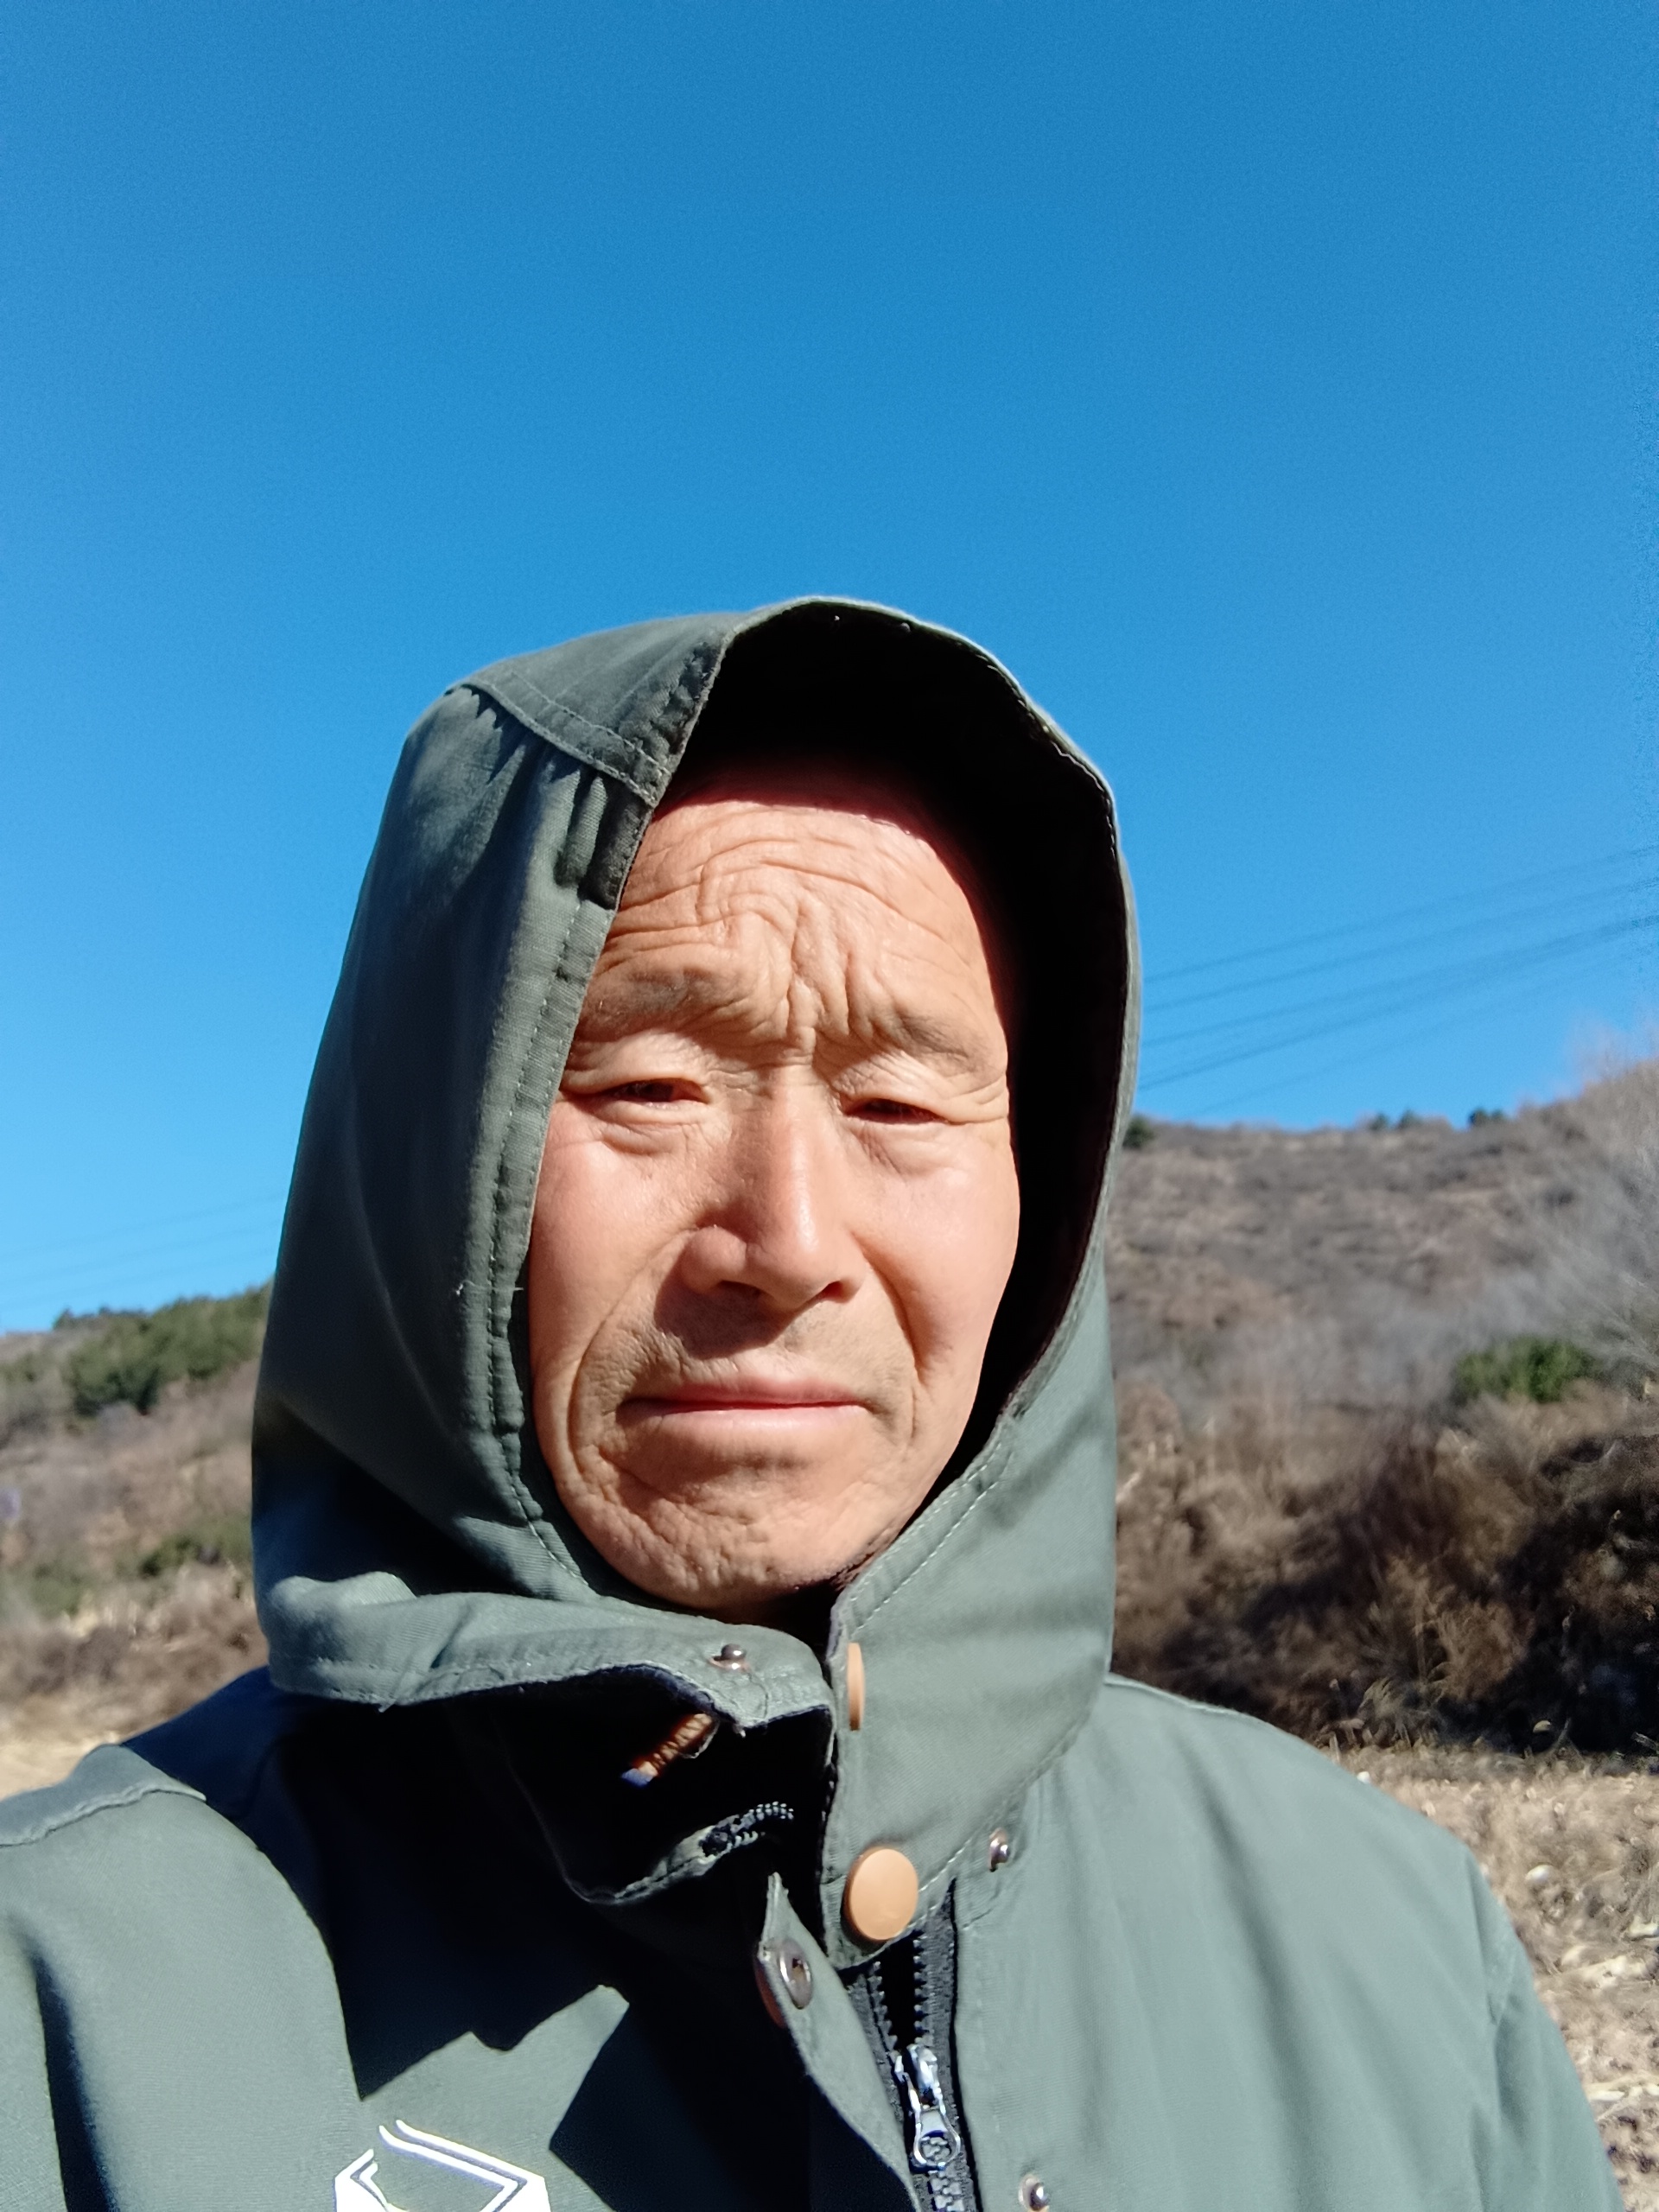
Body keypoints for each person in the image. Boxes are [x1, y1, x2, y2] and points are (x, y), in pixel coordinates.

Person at [0, 601, 1617, 2210]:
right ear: (420, 1165)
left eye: (900, 1103)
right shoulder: (68, 2022)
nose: (785, 1242)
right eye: (650, 1085)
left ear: (1041, 1209)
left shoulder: (1400, 1955)